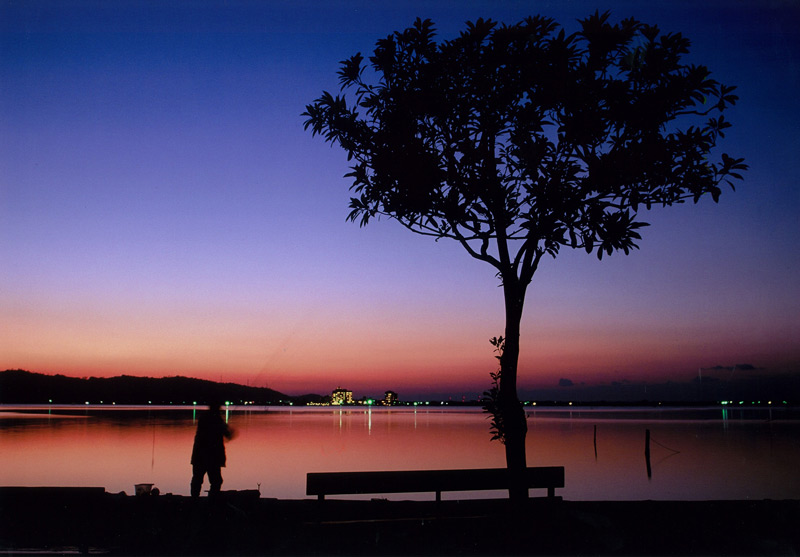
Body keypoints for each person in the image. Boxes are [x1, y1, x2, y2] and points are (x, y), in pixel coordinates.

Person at [190, 401, 234, 498]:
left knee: (197, 478)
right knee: (216, 480)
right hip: (212, 456)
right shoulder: (216, 419)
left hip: (199, 455)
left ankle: (194, 499)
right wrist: (228, 430)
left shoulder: (205, 417)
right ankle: (212, 500)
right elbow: (227, 434)